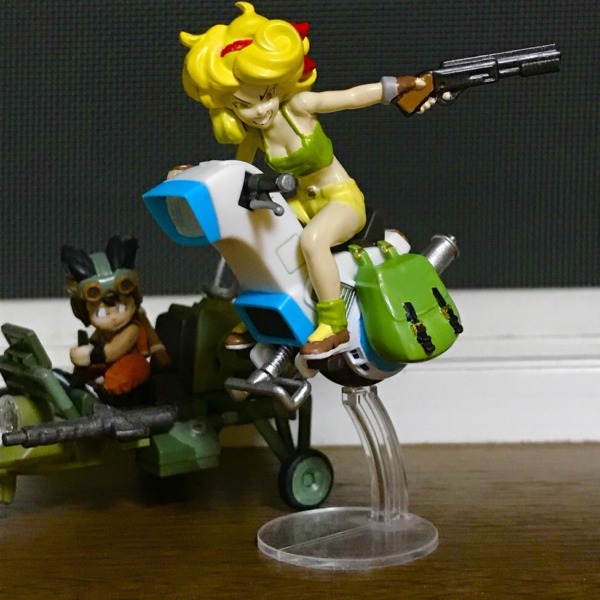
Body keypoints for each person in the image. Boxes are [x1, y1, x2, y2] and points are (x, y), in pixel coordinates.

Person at [180, 2, 427, 358]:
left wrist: (393, 88)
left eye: (265, 95)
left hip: (339, 198)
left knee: (313, 242)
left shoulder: (299, 107)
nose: (259, 110)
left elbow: (349, 98)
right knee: (257, 240)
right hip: (297, 203)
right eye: (243, 105)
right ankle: (258, 314)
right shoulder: (255, 134)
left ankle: (334, 324)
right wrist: (194, 172)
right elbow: (234, 170)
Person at [62, 235, 170, 401]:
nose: (114, 318)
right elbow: (97, 343)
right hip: (109, 364)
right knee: (90, 368)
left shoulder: (132, 329)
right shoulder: (103, 332)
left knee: (129, 367)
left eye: (121, 308)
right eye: (102, 314)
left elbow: (114, 351)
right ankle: (79, 385)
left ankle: (103, 391)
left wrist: (89, 355)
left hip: (130, 368)